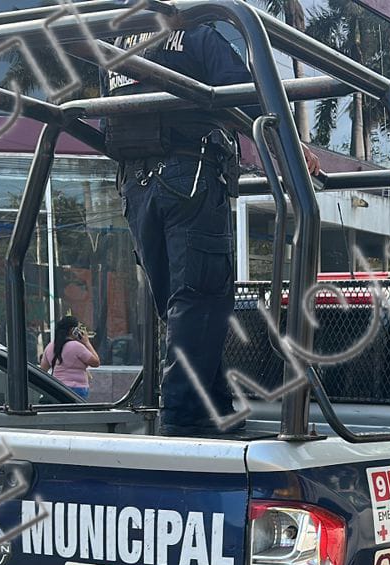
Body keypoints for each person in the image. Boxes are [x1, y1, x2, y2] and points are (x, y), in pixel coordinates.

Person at [103, 23, 319, 437]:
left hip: (135, 186)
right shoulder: (196, 34)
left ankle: (212, 405)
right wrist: (291, 147)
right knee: (201, 297)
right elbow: (249, 96)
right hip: (189, 175)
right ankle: (185, 414)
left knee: (181, 303)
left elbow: (106, 124)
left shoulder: (114, 47)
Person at [42, 315, 101, 400]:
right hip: (77, 389)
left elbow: (43, 369)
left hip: (57, 387)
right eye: (78, 328)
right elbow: (96, 362)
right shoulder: (77, 346)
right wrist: (87, 342)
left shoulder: (50, 347)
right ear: (73, 330)